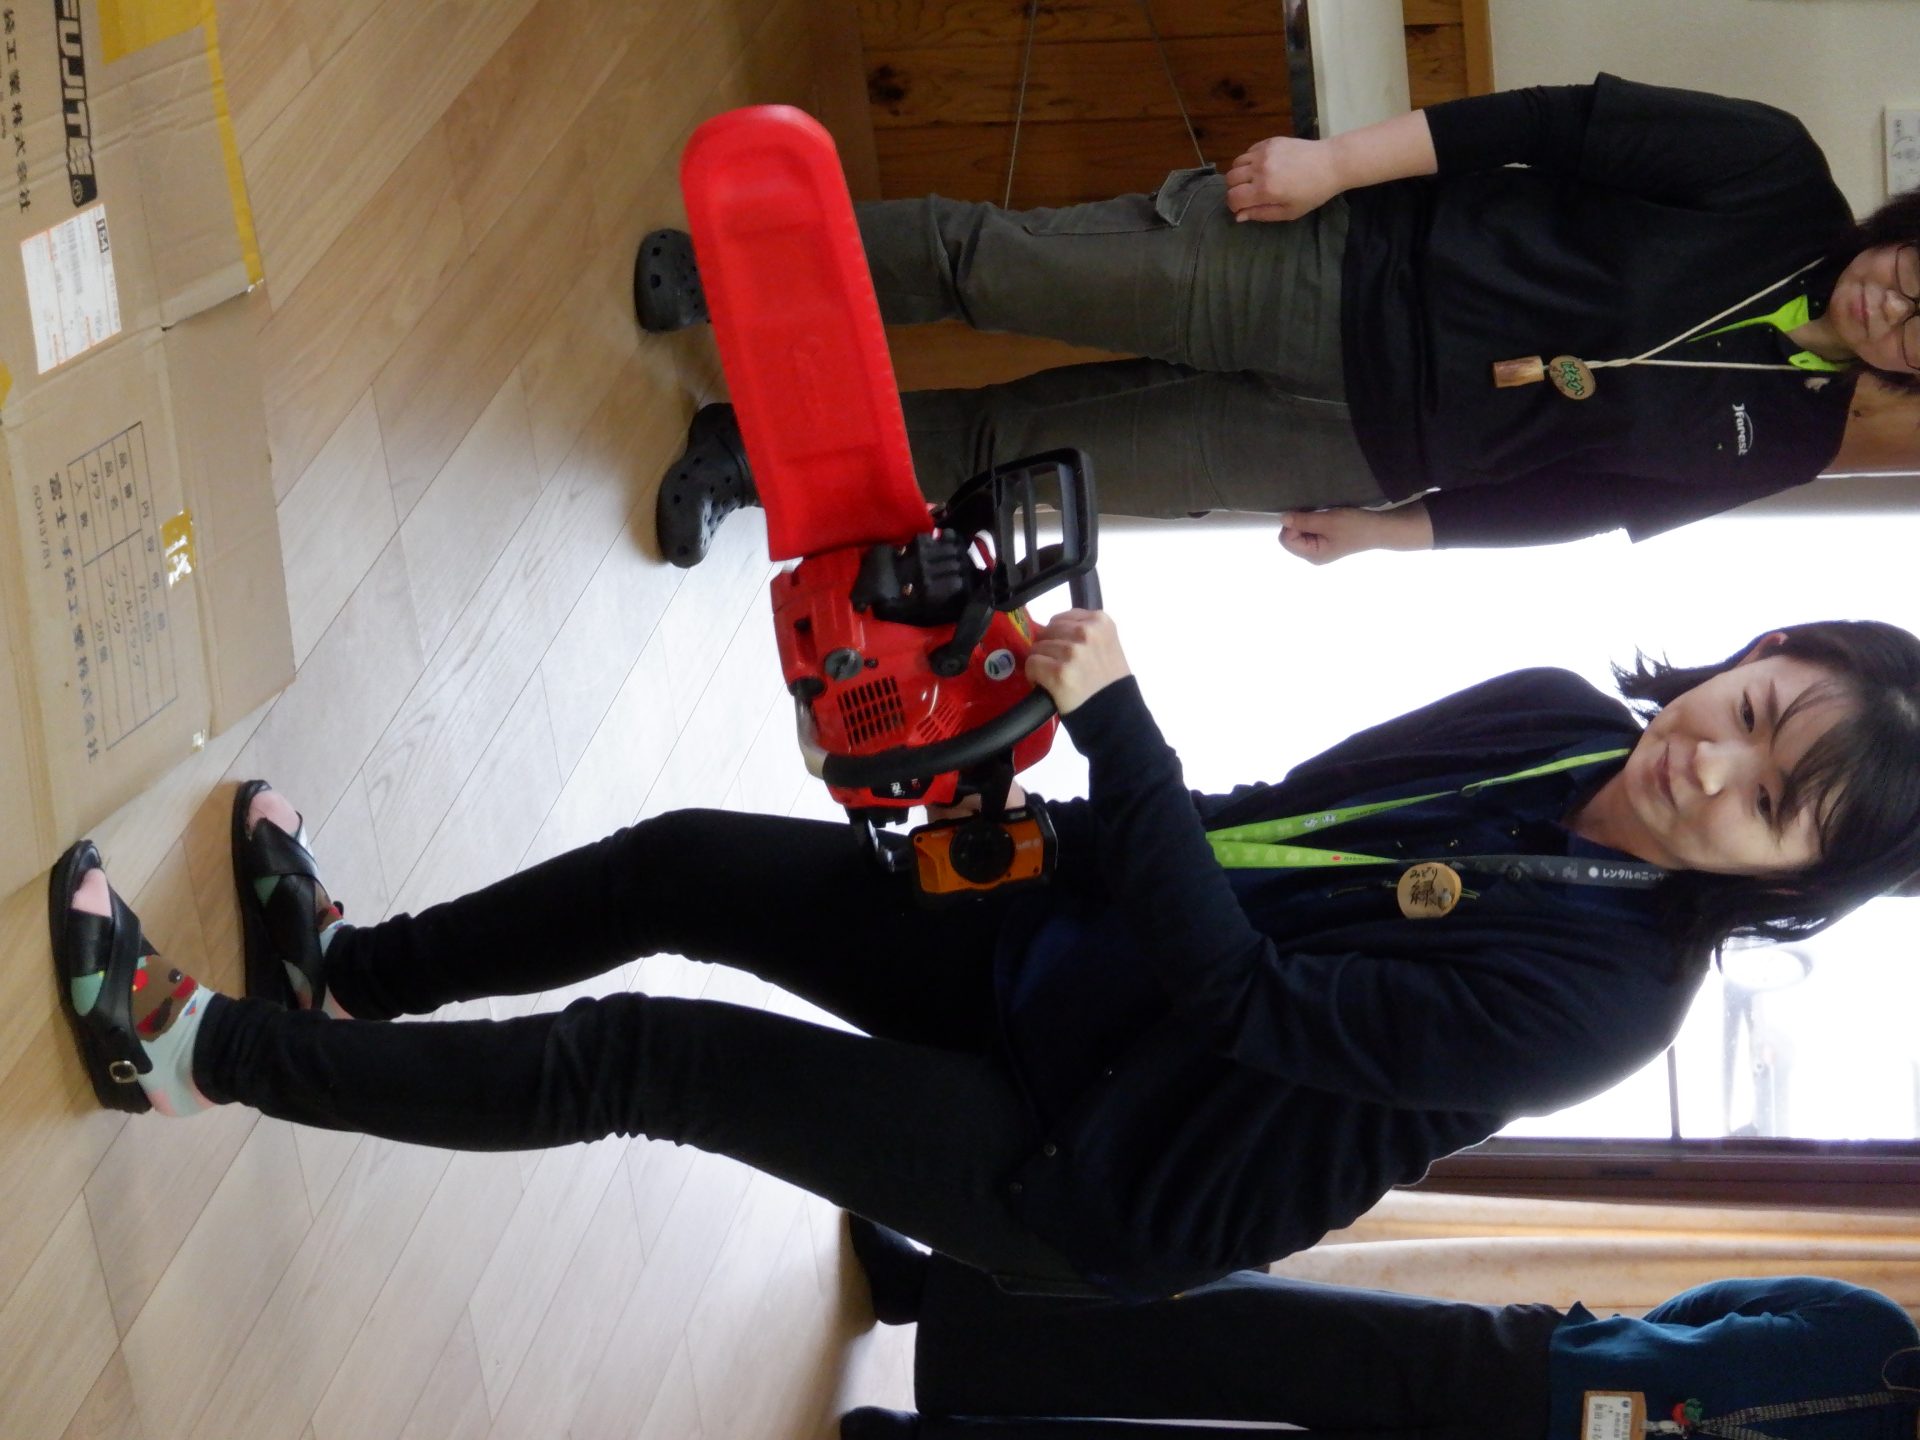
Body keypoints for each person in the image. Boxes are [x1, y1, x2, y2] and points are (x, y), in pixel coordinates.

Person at [48, 615, 1920, 1297]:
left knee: (651, 1061)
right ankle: (353, 976)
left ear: (1793, 881)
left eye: (1772, 805)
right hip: (1076, 952)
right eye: (1757, 711)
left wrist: (1123, 730)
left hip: (1105, 1164)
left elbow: (1255, 1001)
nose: (1712, 766)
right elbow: (1259, 827)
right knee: (692, 861)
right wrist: (1000, 819)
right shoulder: (1553, 713)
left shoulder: (1604, 1005)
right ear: (1752, 652)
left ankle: (198, 1054)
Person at [639, 74, 1920, 568]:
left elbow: (1581, 501)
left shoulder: (1794, 442)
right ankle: (732, 273)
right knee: (1002, 269)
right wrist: (1338, 163)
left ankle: (744, 457)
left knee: (1014, 462)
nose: (1893, 305)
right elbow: (1545, 124)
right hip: (1338, 265)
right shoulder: (1773, 173)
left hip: (1352, 447)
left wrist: (1394, 531)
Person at [837, 1216, 1920, 1440]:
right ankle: (936, 1292)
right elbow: (1707, 1309)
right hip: (1521, 1367)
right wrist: (1616, 1353)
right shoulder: (1871, 1323)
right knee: (1228, 1325)